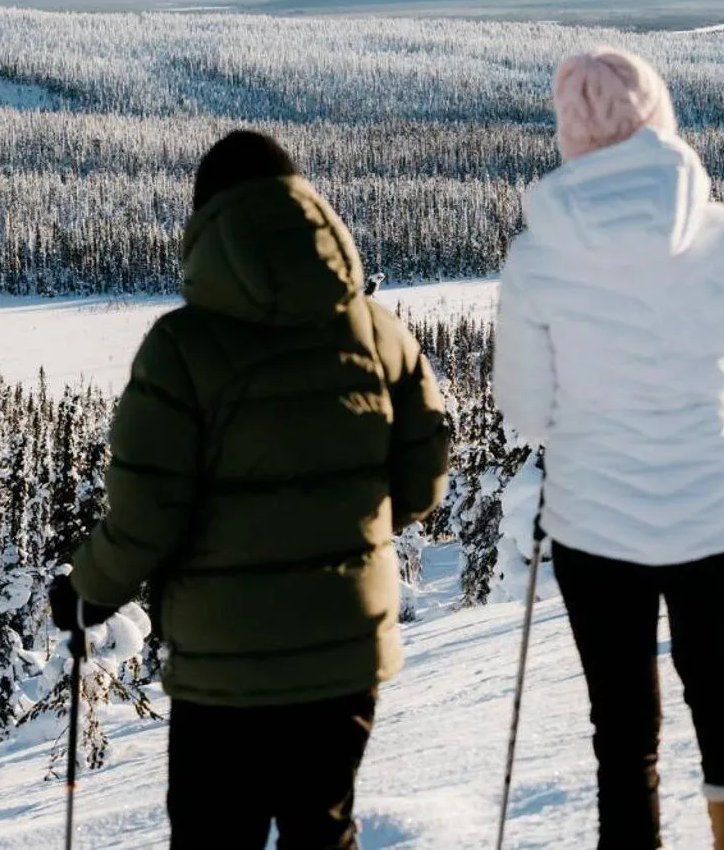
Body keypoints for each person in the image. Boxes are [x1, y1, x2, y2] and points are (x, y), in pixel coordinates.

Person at [49, 130, 451, 850]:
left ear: (207, 225)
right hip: (345, 652)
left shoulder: (180, 350)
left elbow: (145, 517)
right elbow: (421, 484)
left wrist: (86, 591)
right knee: (321, 830)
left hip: (223, 670)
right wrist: (341, 525)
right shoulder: (379, 333)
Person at [493, 48, 724, 849]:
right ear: (657, 118)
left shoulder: (536, 256)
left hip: (596, 524)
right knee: (713, 674)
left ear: (568, 135)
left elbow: (524, 410)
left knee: (622, 721)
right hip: (713, 509)